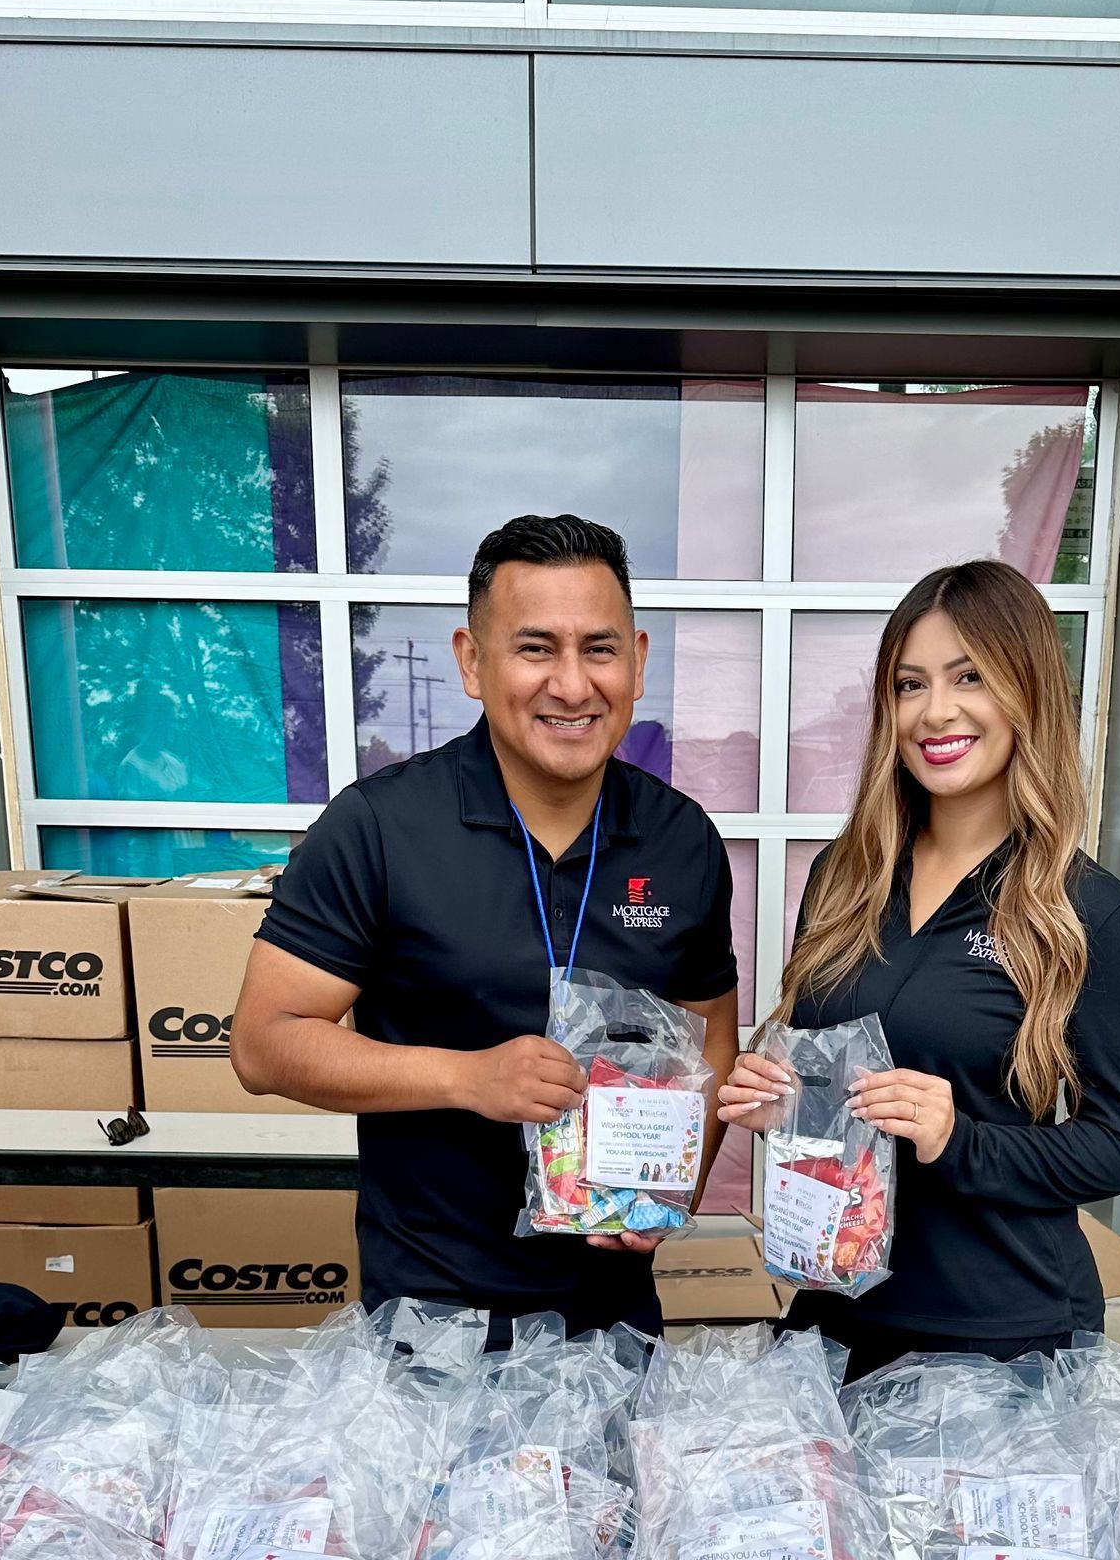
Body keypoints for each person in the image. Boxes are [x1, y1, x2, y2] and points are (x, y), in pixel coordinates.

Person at [232, 513, 741, 1334]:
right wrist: (465, 1079)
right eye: (535, 648)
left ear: (638, 662)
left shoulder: (683, 840)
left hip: (617, 1327)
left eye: (599, 649)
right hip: (434, 1325)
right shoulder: (378, 829)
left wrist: (673, 1182)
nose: (572, 686)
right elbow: (263, 1043)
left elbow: (713, 1034)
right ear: (473, 662)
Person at [719, 558, 1120, 1382]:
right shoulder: (844, 877)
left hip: (999, 1339)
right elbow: (837, 1083)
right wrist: (784, 1098)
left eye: (970, 677)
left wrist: (959, 1140)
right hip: (833, 1317)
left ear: (1027, 691)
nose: (937, 711)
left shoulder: (1087, 912)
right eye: (910, 684)